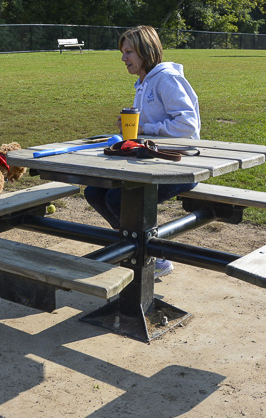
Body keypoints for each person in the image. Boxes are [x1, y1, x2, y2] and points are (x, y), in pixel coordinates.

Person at [84, 25, 201, 278]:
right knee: (95, 192)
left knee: (118, 199)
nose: (123, 58)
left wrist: (144, 129)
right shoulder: (143, 82)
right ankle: (132, 247)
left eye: (128, 52)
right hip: (151, 164)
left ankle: (153, 258)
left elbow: (188, 125)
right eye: (123, 52)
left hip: (181, 168)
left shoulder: (166, 79)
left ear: (145, 51)